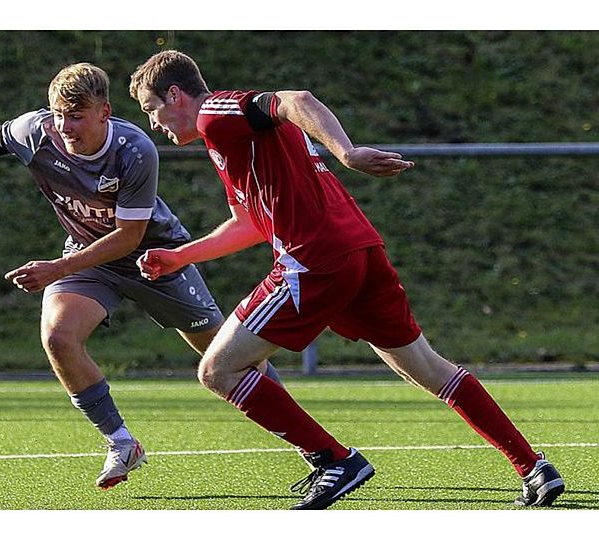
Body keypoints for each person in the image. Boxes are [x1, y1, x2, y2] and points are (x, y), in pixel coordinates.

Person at [128, 50, 565, 510]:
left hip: (314, 260)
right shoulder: (231, 143)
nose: (154, 123)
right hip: (359, 250)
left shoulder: (217, 114)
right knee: (428, 368)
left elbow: (296, 99)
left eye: (151, 109)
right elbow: (251, 224)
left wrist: (348, 152)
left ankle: (334, 460)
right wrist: (181, 256)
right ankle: (533, 467)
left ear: (175, 94)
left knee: (218, 370)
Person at [0, 62, 282, 490]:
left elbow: (128, 236)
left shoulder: (135, 150)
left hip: (155, 256)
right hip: (86, 259)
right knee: (59, 336)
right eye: (59, 114)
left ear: (105, 111)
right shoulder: (35, 131)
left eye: (77, 116)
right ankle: (121, 442)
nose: (65, 126)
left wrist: (56, 270)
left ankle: (308, 443)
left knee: (230, 359)